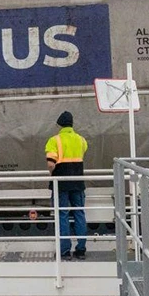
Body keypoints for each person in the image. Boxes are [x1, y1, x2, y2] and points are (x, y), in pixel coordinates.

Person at [45, 111, 88, 260]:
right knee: (79, 213)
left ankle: (64, 251)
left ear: (59, 125)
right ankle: (81, 249)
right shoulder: (81, 140)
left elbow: (51, 163)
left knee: (62, 215)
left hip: (61, 184)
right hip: (78, 183)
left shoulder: (54, 140)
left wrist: (52, 174)